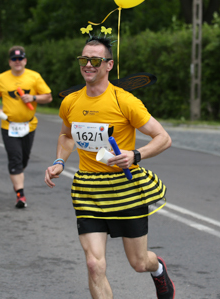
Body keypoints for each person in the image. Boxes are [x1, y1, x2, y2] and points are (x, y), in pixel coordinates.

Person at [44, 37, 175, 299]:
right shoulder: (70, 101)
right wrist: (59, 161)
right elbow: (67, 136)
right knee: (94, 264)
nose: (88, 65)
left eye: (95, 60)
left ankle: (158, 269)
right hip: (89, 189)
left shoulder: (125, 101)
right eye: (84, 60)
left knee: (138, 263)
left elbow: (163, 138)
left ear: (109, 65)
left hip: (125, 188)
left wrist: (135, 155)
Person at [0, 46, 52, 208]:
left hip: (28, 126)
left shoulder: (34, 77)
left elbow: (48, 97)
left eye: (20, 59)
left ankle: (17, 176)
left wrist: (32, 97)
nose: (17, 62)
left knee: (23, 159)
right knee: (15, 158)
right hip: (9, 126)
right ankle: (20, 195)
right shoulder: (2, 78)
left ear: (25, 60)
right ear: (10, 62)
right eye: (14, 59)